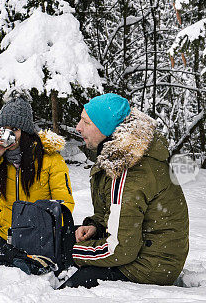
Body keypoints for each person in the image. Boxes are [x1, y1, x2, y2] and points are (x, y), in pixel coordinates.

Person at [61, 93, 189, 289]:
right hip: (144, 250)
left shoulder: (130, 170)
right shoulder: (120, 156)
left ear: (105, 128)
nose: (78, 127)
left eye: (86, 122)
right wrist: (96, 226)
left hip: (151, 266)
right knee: (63, 236)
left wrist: (73, 251)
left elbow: (120, 249)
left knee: (72, 286)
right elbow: (117, 215)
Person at [0, 97, 75, 248]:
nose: (9, 134)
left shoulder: (50, 159)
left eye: (15, 130)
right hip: (7, 238)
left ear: (26, 132)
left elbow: (65, 205)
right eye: (4, 129)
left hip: (40, 240)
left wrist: (39, 230)